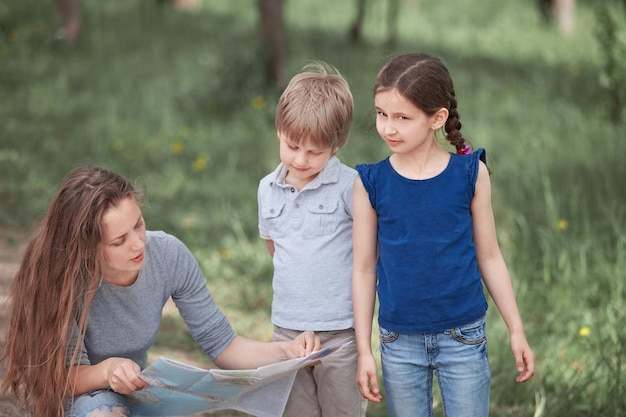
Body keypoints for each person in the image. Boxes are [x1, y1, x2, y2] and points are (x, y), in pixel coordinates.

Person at [0, 166, 321, 417]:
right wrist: (109, 370)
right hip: (76, 400)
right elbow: (60, 378)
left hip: (134, 394)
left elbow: (224, 345)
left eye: (138, 224)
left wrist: (286, 351)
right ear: (86, 250)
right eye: (118, 240)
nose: (139, 243)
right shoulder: (64, 278)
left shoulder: (168, 254)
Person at [352, 53, 535, 417]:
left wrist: (516, 328)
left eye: (402, 117)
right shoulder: (370, 183)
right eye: (381, 113)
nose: (388, 127)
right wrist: (363, 350)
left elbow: (490, 256)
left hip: (463, 338)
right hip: (398, 341)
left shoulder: (469, 174)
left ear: (437, 118)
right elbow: (363, 268)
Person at [257, 62, 366, 417]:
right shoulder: (266, 190)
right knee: (294, 411)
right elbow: (274, 247)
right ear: (279, 131)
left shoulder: (351, 187)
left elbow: (366, 255)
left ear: (337, 145)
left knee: (342, 410)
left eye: (314, 152)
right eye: (292, 146)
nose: (300, 159)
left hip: (339, 331)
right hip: (287, 330)